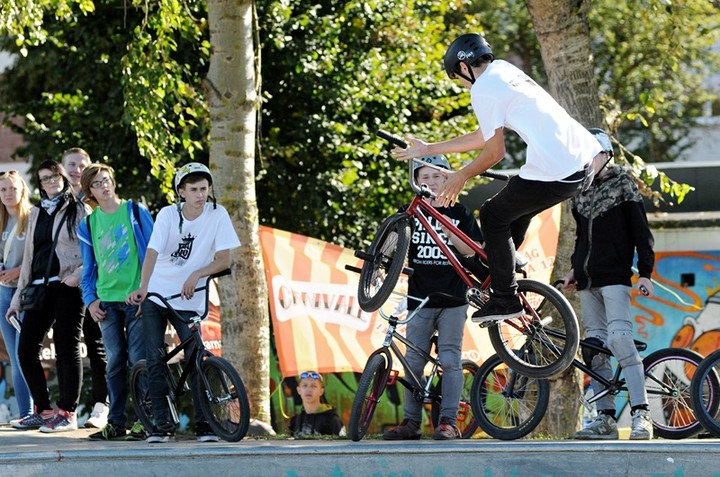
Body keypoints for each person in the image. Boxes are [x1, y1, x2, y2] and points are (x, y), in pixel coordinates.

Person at [392, 33, 604, 323]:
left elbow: (495, 152)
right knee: (514, 202)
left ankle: (505, 298)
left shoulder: (483, 89)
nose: (464, 86)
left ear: (464, 68)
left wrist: (461, 176)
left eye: (459, 79)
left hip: (559, 168)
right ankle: (505, 261)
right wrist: (429, 148)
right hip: (583, 163)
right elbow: (482, 136)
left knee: (492, 214)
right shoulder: (504, 70)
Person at [126, 162, 241, 443]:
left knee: (195, 355)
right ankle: (161, 425)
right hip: (157, 292)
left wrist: (197, 273)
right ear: (181, 192)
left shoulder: (217, 214)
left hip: (189, 295)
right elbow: (152, 252)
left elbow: (224, 259)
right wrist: (143, 288)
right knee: (155, 357)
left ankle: (206, 425)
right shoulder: (167, 214)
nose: (200, 195)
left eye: (204, 189)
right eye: (194, 190)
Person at [562, 129, 655, 440]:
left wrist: (645, 272)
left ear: (605, 155)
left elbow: (641, 231)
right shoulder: (580, 189)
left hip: (615, 277)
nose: (586, 160)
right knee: (595, 349)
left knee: (619, 338)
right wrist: (574, 271)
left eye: (591, 154)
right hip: (588, 281)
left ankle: (642, 414)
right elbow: (580, 239)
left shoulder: (623, 182)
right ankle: (605, 420)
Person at [382, 155, 483, 441]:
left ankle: (448, 423)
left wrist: (446, 227)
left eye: (437, 176)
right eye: (424, 176)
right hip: (420, 298)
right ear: (416, 181)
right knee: (413, 361)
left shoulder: (461, 212)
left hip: (453, 299)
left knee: (450, 360)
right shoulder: (410, 211)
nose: (431, 182)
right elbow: (390, 247)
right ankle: (411, 422)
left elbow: (470, 252)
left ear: (447, 179)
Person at [7, 160, 90, 432]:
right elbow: (30, 257)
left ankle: (67, 412)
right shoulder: (36, 212)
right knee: (25, 349)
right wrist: (18, 299)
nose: (50, 181)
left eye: (54, 176)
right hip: (39, 287)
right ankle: (43, 410)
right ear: (40, 184)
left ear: (63, 178)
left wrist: (76, 274)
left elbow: (92, 250)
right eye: (44, 178)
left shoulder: (78, 209)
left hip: (68, 285)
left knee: (67, 348)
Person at [78, 163, 154, 440]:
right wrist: (90, 300)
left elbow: (154, 253)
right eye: (97, 184)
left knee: (138, 360)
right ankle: (116, 422)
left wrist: (145, 291)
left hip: (136, 299)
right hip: (106, 303)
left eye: (107, 180)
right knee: (115, 362)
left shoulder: (135, 211)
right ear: (90, 192)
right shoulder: (88, 223)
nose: (104, 186)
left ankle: (144, 421)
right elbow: (88, 269)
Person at [62, 148, 109, 429]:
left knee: (96, 344)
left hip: (93, 280)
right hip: (65, 282)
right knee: (68, 346)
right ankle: (67, 410)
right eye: (72, 164)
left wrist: (81, 272)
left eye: (82, 165)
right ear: (63, 167)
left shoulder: (94, 201)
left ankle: (100, 406)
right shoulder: (59, 200)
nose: (77, 169)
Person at [0, 170, 33, 420]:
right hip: (3, 295)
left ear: (22, 190)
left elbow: (44, 258)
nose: (8, 194)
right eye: (3, 190)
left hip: (27, 295)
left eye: (12, 188)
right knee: (13, 355)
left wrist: (17, 271)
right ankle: (25, 412)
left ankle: (37, 411)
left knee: (26, 353)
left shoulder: (32, 217)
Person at [288, 371, 345, 437]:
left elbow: (341, 446)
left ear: (321, 391)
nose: (308, 390)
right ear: (298, 390)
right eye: (305, 386)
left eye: (313, 386)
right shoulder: (294, 421)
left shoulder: (332, 420)